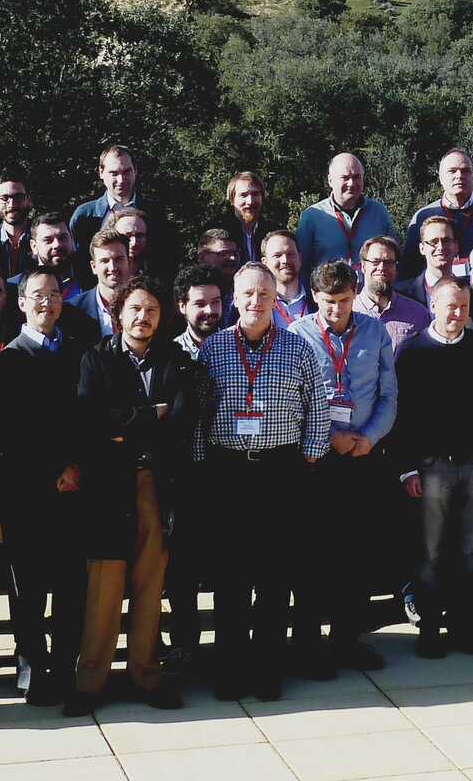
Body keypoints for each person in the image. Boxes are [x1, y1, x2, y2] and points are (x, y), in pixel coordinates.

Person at [194, 265, 330, 702]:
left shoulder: (297, 347)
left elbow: (317, 406)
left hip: (280, 472)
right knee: (230, 578)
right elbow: (199, 411)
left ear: (276, 299)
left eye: (265, 294)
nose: (256, 301)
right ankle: (230, 669)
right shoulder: (213, 348)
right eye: (248, 293)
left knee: (275, 577)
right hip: (228, 472)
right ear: (234, 299)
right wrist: (201, 463)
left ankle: (266, 668)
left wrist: (309, 455)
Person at [72, 275, 197, 712]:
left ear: (162, 318)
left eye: (152, 310)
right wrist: (149, 414)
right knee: (103, 590)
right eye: (135, 309)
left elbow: (181, 420)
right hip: (109, 488)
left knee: (150, 585)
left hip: (157, 485)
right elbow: (91, 420)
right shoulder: (95, 358)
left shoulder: (175, 360)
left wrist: (123, 423)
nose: (143, 317)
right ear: (118, 314)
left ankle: (146, 676)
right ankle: (91, 683)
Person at [290, 259, 399, 676]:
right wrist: (330, 435)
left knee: (357, 552)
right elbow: (294, 400)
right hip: (317, 458)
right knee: (314, 555)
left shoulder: (374, 331)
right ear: (315, 296)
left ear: (355, 294)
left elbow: (389, 394)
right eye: (329, 301)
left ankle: (347, 638)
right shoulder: (298, 335)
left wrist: (369, 437)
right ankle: (307, 644)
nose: (337, 309)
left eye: (345, 300)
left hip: (363, 457)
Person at [394, 276, 473, 658]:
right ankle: (429, 628)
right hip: (431, 469)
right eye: (450, 306)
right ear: (433, 305)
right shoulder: (412, 351)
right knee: (430, 553)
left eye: (463, 307)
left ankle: (463, 627)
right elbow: (401, 414)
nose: (457, 314)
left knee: (470, 551)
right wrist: (407, 468)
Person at [0, 261, 87, 708]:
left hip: (74, 491)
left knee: (71, 585)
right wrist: (56, 469)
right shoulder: (10, 358)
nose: (46, 303)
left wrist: (76, 465)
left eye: (53, 295)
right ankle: (31, 665)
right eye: (37, 296)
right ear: (21, 303)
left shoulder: (80, 352)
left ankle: (67, 666)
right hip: (28, 490)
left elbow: (87, 414)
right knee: (27, 587)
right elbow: (16, 428)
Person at [166, 265, 231, 667]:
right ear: (181, 306)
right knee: (182, 569)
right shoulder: (168, 354)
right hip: (183, 476)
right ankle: (184, 644)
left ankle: (228, 648)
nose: (209, 311)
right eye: (200, 303)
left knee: (228, 566)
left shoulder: (236, 347)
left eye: (216, 302)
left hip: (227, 471)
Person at [402, 148, 473, 276]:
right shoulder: (423, 217)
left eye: (465, 171)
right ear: (441, 178)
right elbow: (408, 268)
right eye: (452, 171)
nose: (459, 176)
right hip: (437, 288)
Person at [294, 152, 398, 283]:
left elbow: (394, 258)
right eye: (345, 178)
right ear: (330, 180)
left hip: (372, 293)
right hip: (330, 294)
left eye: (357, 177)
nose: (351, 183)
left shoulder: (379, 213)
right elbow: (301, 267)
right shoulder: (312, 216)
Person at [69, 144, 146, 261]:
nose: (121, 180)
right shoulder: (85, 216)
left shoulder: (153, 212)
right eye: (114, 173)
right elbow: (76, 260)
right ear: (101, 172)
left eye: (127, 171)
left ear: (135, 170)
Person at [354, 234, 429, 349]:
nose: (381, 268)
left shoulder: (418, 313)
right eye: (375, 261)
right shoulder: (349, 311)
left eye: (388, 262)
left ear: (396, 268)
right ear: (363, 266)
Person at [210, 171, 276, 264]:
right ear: (232, 200)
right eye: (243, 195)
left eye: (255, 194)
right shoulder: (216, 234)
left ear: (262, 199)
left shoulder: (274, 234)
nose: (250, 201)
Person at [73, 231, 131, 337]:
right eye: (105, 261)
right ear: (94, 267)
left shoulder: (147, 306)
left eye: (119, 259)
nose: (113, 267)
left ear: (129, 262)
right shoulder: (73, 311)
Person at [396, 212, 460, 307]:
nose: (440, 247)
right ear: (422, 248)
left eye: (446, 240)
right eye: (433, 242)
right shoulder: (400, 294)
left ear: (456, 246)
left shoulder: (471, 294)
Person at [260, 230, 313, 323]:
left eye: (290, 254)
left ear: (300, 258)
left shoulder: (317, 298)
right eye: (277, 255)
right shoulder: (258, 302)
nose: (285, 260)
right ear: (265, 262)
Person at [109, 208, 151, 275]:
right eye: (127, 236)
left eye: (139, 236)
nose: (134, 243)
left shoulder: (156, 269)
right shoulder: (104, 267)